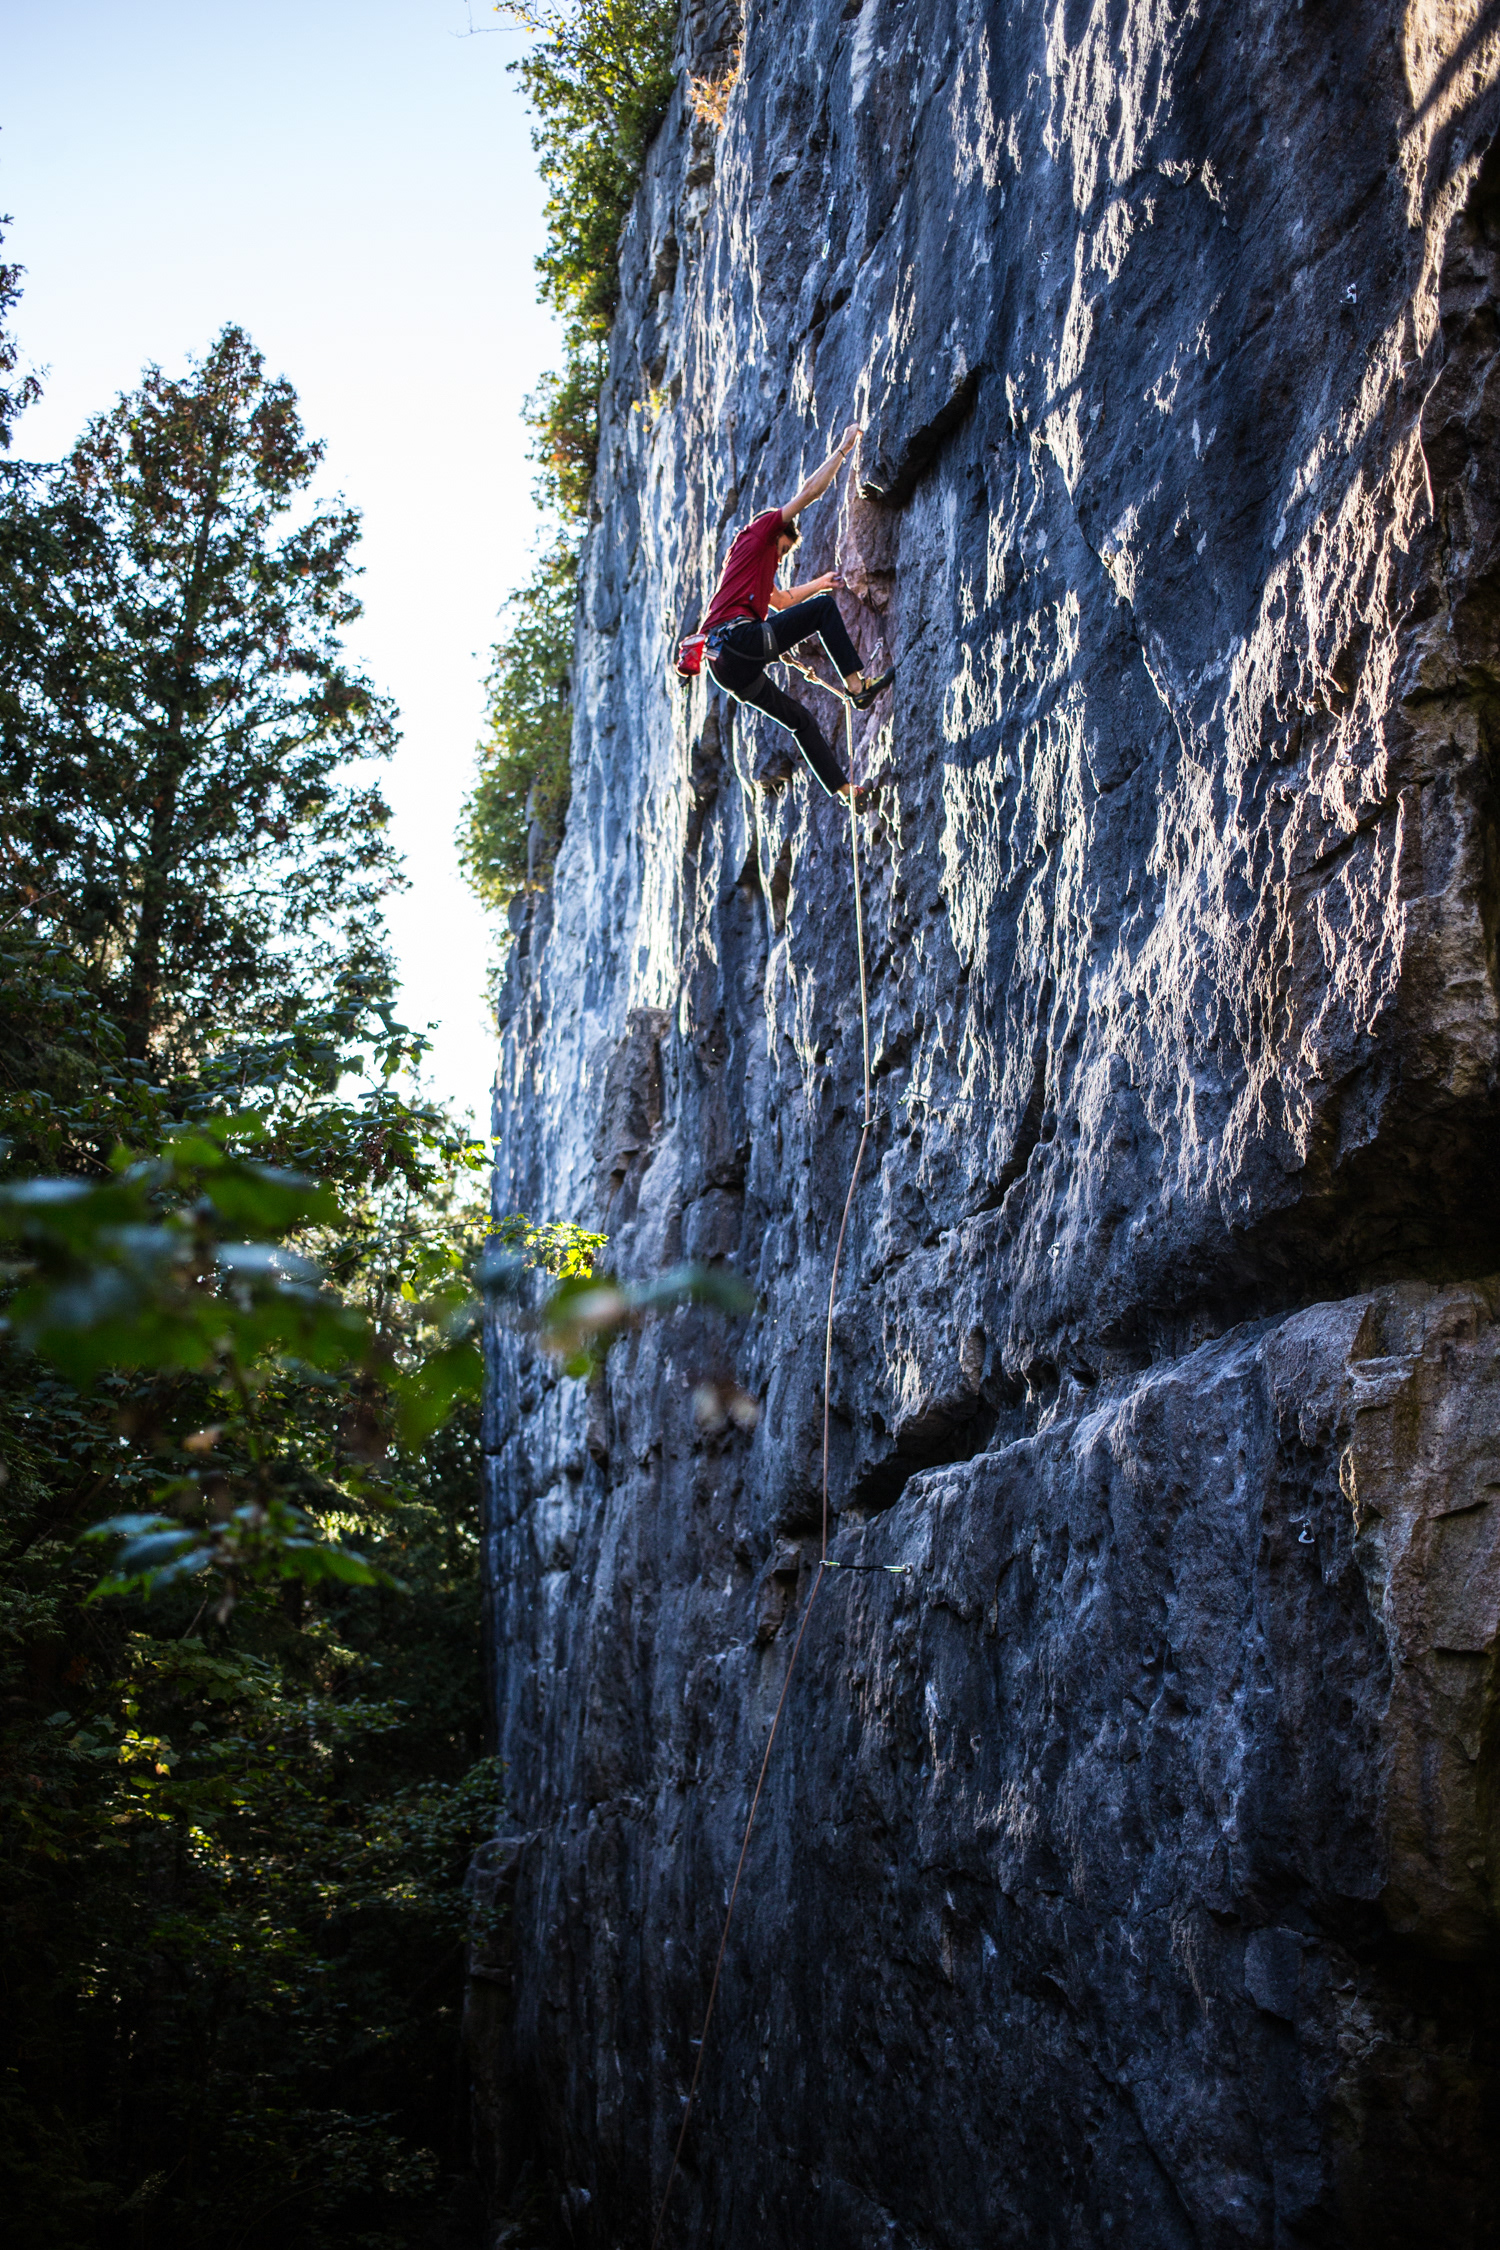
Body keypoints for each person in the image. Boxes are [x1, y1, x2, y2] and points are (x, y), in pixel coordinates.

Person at [701, 422, 895, 800]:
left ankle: (844, 791)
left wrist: (820, 583)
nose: (780, 557)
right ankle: (858, 687)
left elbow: (781, 601)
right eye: (783, 550)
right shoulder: (760, 534)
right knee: (822, 611)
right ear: (775, 534)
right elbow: (810, 492)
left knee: (799, 720)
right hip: (736, 641)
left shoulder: (746, 566)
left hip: (728, 667)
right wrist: (843, 448)